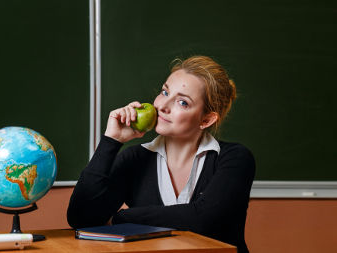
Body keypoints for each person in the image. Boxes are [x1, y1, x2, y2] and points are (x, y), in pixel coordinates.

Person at [67, 55, 255, 253]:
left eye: (182, 102)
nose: (163, 106)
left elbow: (204, 220)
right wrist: (111, 141)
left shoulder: (234, 158)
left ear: (206, 120)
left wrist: (121, 217)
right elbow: (81, 219)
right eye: (165, 92)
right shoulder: (136, 159)